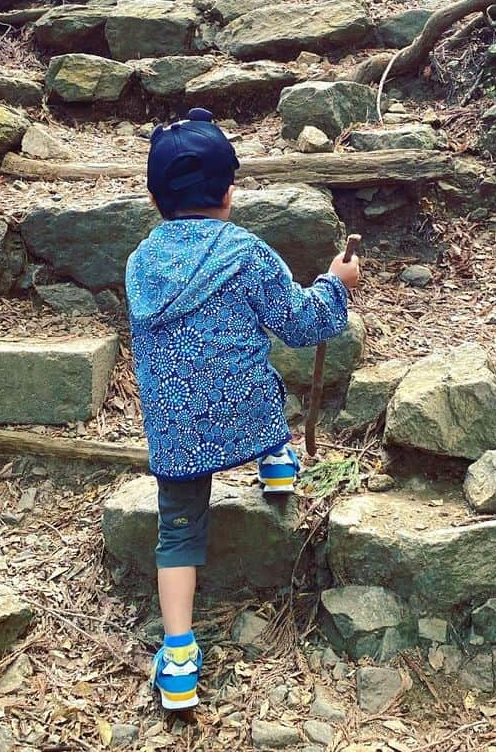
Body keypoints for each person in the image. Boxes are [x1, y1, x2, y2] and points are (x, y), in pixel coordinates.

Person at [126, 107, 361, 712]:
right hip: (248, 417)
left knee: (177, 532)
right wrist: (336, 283)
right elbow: (302, 323)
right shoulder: (246, 252)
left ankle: (178, 660)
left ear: (155, 199)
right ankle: (276, 462)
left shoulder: (140, 263)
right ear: (229, 191)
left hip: (177, 435)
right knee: (256, 371)